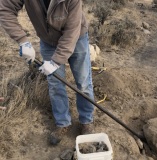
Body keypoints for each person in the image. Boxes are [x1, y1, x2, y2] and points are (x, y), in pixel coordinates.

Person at [0, 0, 95, 145]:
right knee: (55, 85)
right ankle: (63, 122)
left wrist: (55, 62)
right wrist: (22, 41)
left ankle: (86, 120)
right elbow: (4, 9)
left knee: (83, 82)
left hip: (77, 37)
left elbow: (71, 33)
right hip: (48, 40)